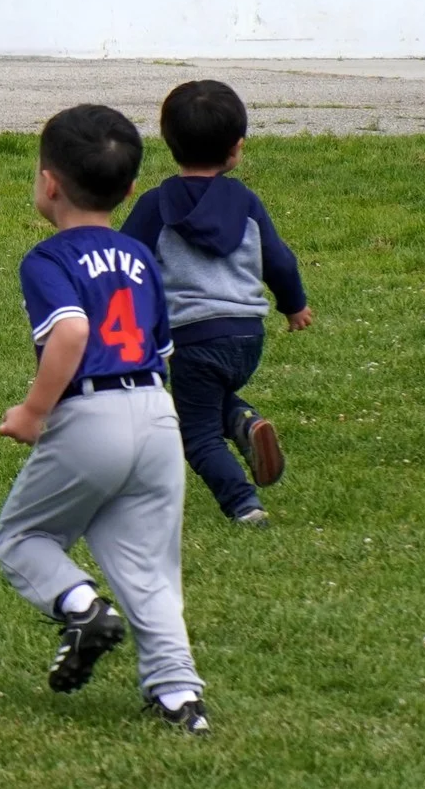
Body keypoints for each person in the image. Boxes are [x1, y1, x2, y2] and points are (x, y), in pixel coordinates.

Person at [0, 105, 209, 734]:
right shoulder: (140, 258)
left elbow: (72, 331)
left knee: (22, 539)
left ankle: (83, 608)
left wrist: (34, 411)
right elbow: (163, 351)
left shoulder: (48, 259)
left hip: (92, 412)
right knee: (149, 565)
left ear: (48, 183)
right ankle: (178, 698)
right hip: (156, 413)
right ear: (132, 188)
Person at [121, 80, 312, 525]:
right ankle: (244, 422)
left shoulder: (156, 206)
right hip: (247, 335)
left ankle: (243, 504)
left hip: (193, 339)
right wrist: (294, 305)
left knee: (198, 433)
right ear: (237, 148)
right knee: (207, 398)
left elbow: (125, 262)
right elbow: (279, 260)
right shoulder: (246, 202)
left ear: (168, 143)